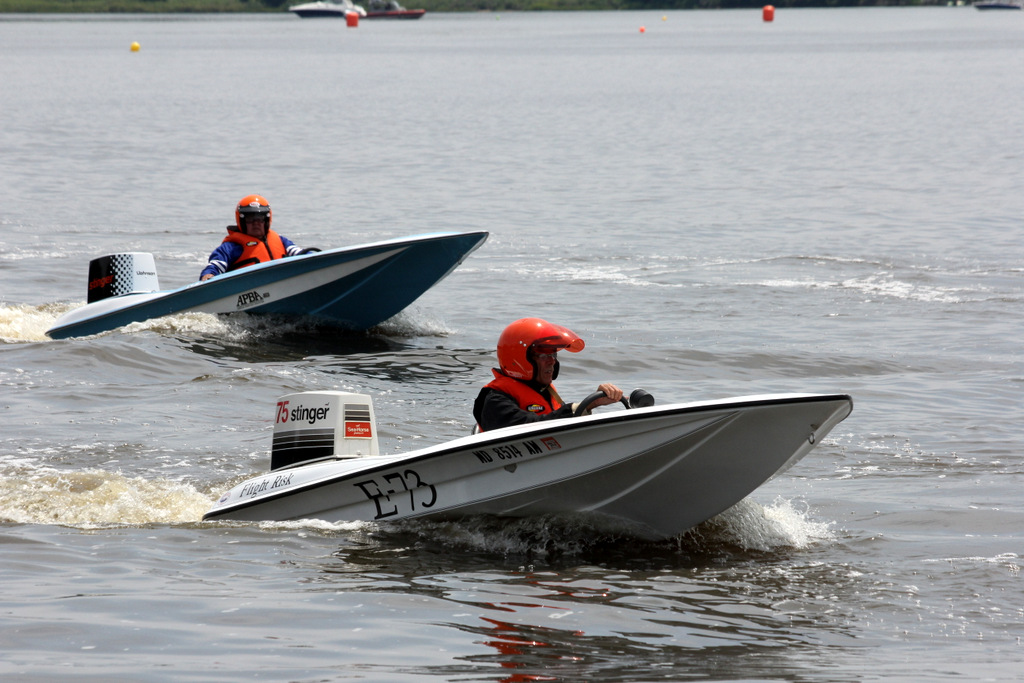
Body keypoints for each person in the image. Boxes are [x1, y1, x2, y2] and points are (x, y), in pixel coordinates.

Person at [473, 318, 623, 432]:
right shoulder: (495, 399)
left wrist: (595, 403)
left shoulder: (545, 391)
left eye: (553, 354)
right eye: (543, 355)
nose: (552, 361)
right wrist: (587, 405)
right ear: (519, 359)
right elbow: (527, 426)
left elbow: (556, 420)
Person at [199, 195, 307, 281]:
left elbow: (299, 253)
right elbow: (216, 265)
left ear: (267, 220)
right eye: (250, 219)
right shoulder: (231, 247)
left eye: (260, 219)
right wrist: (208, 274)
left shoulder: (280, 240)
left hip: (282, 283)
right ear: (241, 221)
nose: (256, 223)